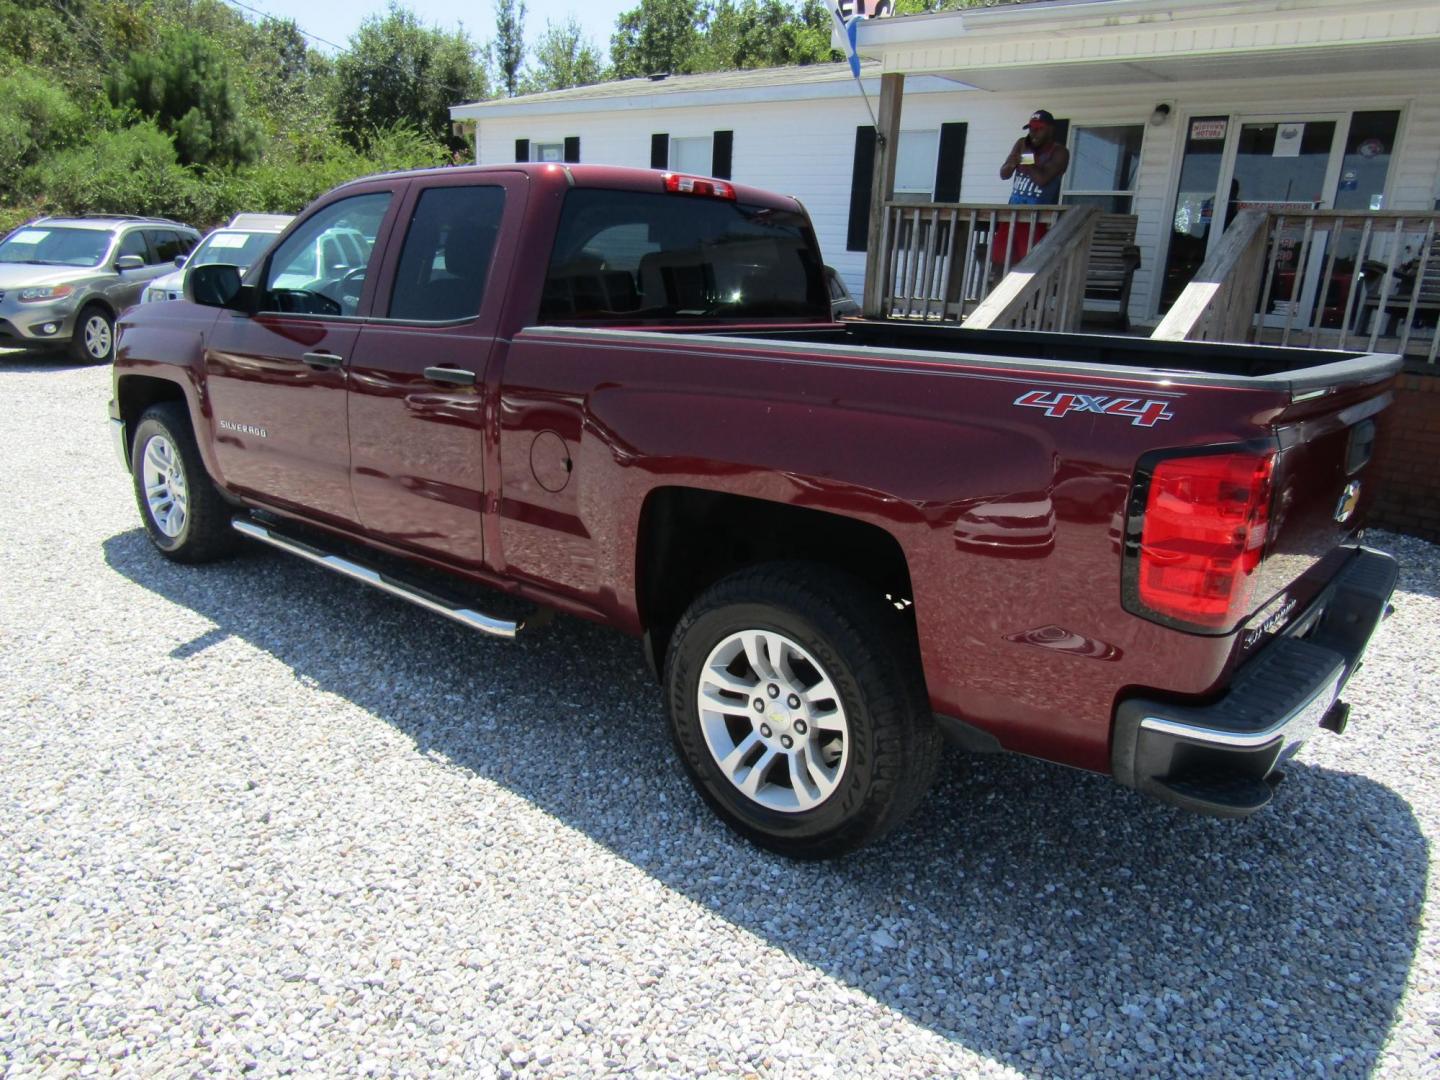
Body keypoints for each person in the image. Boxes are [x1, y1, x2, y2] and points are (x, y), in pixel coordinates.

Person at [1001, 109, 1070, 205]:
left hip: (1040, 215)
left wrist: (1023, 159)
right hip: (1013, 212)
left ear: (1050, 130)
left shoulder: (1060, 152)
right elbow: (1004, 175)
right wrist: (1011, 164)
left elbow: (1042, 180)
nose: (1033, 132)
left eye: (1039, 128)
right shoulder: (1022, 142)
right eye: (1031, 128)